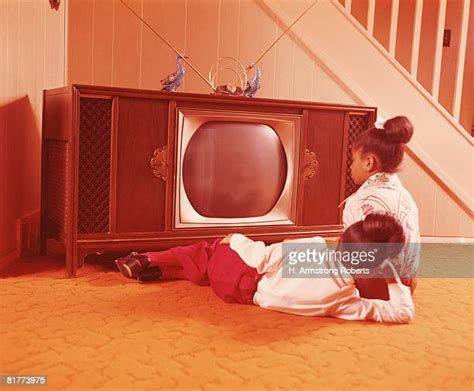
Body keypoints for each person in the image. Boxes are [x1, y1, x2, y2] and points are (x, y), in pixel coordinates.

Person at [115, 213, 415, 324]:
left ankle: (149, 259)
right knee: (207, 270)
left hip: (240, 277)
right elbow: (402, 314)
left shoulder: (311, 247)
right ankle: (163, 272)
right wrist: (391, 280)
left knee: (209, 249)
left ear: (343, 237)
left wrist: (235, 238)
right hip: (241, 296)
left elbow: (261, 257)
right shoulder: (346, 301)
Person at [342, 116, 420, 293]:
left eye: (353, 160)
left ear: (369, 162)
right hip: (407, 285)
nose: (351, 167)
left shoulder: (356, 203)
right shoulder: (407, 198)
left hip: (373, 287)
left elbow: (352, 257)